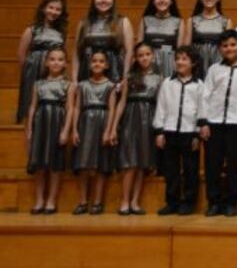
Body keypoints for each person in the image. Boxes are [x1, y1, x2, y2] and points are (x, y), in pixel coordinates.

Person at [200, 29, 237, 217]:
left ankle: (232, 202)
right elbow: (205, 96)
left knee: (235, 165)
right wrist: (204, 122)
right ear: (219, 49)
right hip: (214, 122)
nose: (229, 49)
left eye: (233, 45)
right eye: (225, 46)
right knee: (212, 165)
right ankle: (214, 202)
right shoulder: (214, 69)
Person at [111, 42, 163, 215]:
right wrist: (113, 127)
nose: (144, 58)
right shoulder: (129, 78)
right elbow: (121, 103)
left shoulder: (160, 78)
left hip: (149, 119)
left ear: (153, 55)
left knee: (142, 163)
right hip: (131, 119)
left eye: (147, 54)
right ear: (135, 58)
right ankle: (124, 200)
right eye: (140, 55)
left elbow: (161, 104)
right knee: (130, 162)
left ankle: (135, 202)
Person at [154, 46, 205, 216]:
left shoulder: (199, 85)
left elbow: (201, 109)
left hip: (189, 133)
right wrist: (159, 131)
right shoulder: (167, 83)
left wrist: (197, 133)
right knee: (171, 170)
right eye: (178, 58)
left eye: (184, 59)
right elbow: (161, 107)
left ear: (193, 63)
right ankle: (172, 202)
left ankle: (189, 202)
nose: (180, 62)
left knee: (191, 169)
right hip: (169, 131)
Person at [25, 46, 73, 215]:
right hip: (41, 123)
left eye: (60, 59)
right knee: (39, 164)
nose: (55, 62)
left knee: (55, 164)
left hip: (57, 123)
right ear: (46, 62)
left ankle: (51, 200)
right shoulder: (38, 84)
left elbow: (71, 109)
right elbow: (32, 107)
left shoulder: (69, 85)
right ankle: (39, 199)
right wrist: (29, 128)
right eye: (52, 59)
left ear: (65, 64)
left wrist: (65, 130)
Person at [71, 50, 116, 215]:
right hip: (85, 123)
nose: (97, 64)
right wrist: (74, 129)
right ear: (89, 64)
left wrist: (109, 130)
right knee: (83, 164)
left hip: (102, 122)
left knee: (100, 165)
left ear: (107, 65)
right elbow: (76, 107)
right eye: (94, 61)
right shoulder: (82, 85)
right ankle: (83, 200)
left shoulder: (110, 85)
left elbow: (112, 109)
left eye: (101, 61)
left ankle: (97, 201)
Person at [16, 0, 68, 124]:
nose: (54, 12)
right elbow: (21, 54)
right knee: (31, 99)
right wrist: (28, 71)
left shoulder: (61, 33)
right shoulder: (31, 30)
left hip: (53, 70)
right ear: (44, 8)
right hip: (33, 70)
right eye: (51, 7)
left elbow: (64, 53)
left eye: (58, 9)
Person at [75, 0, 133, 83]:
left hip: (114, 70)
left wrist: (125, 77)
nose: (103, 0)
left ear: (113, 0)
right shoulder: (83, 23)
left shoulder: (123, 21)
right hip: (87, 70)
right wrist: (74, 79)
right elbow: (76, 53)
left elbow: (129, 52)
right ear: (94, 0)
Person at [137, 0, 184, 80]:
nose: (162, 0)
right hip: (148, 61)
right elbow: (139, 46)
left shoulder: (179, 21)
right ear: (153, 2)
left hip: (169, 62)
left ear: (171, 2)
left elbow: (180, 49)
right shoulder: (145, 20)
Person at [185, 0, 232, 78]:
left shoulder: (226, 22)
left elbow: (228, 49)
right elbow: (186, 48)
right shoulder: (192, 20)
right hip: (197, 65)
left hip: (219, 64)